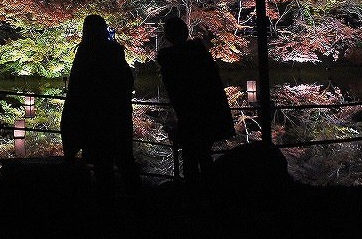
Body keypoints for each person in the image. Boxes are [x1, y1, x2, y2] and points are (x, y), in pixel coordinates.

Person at [61, 14, 140, 202]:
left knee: (102, 166)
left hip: (94, 119)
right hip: (117, 116)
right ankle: (138, 203)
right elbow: (126, 81)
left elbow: (77, 88)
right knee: (125, 161)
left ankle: (106, 205)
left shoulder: (85, 52)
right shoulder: (115, 51)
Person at [157, 16, 234, 182]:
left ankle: (194, 192)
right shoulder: (200, 54)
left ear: (168, 35)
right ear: (185, 31)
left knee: (190, 158)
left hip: (187, 116)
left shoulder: (169, 61)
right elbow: (214, 84)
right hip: (208, 114)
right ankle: (209, 190)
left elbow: (175, 92)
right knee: (204, 156)